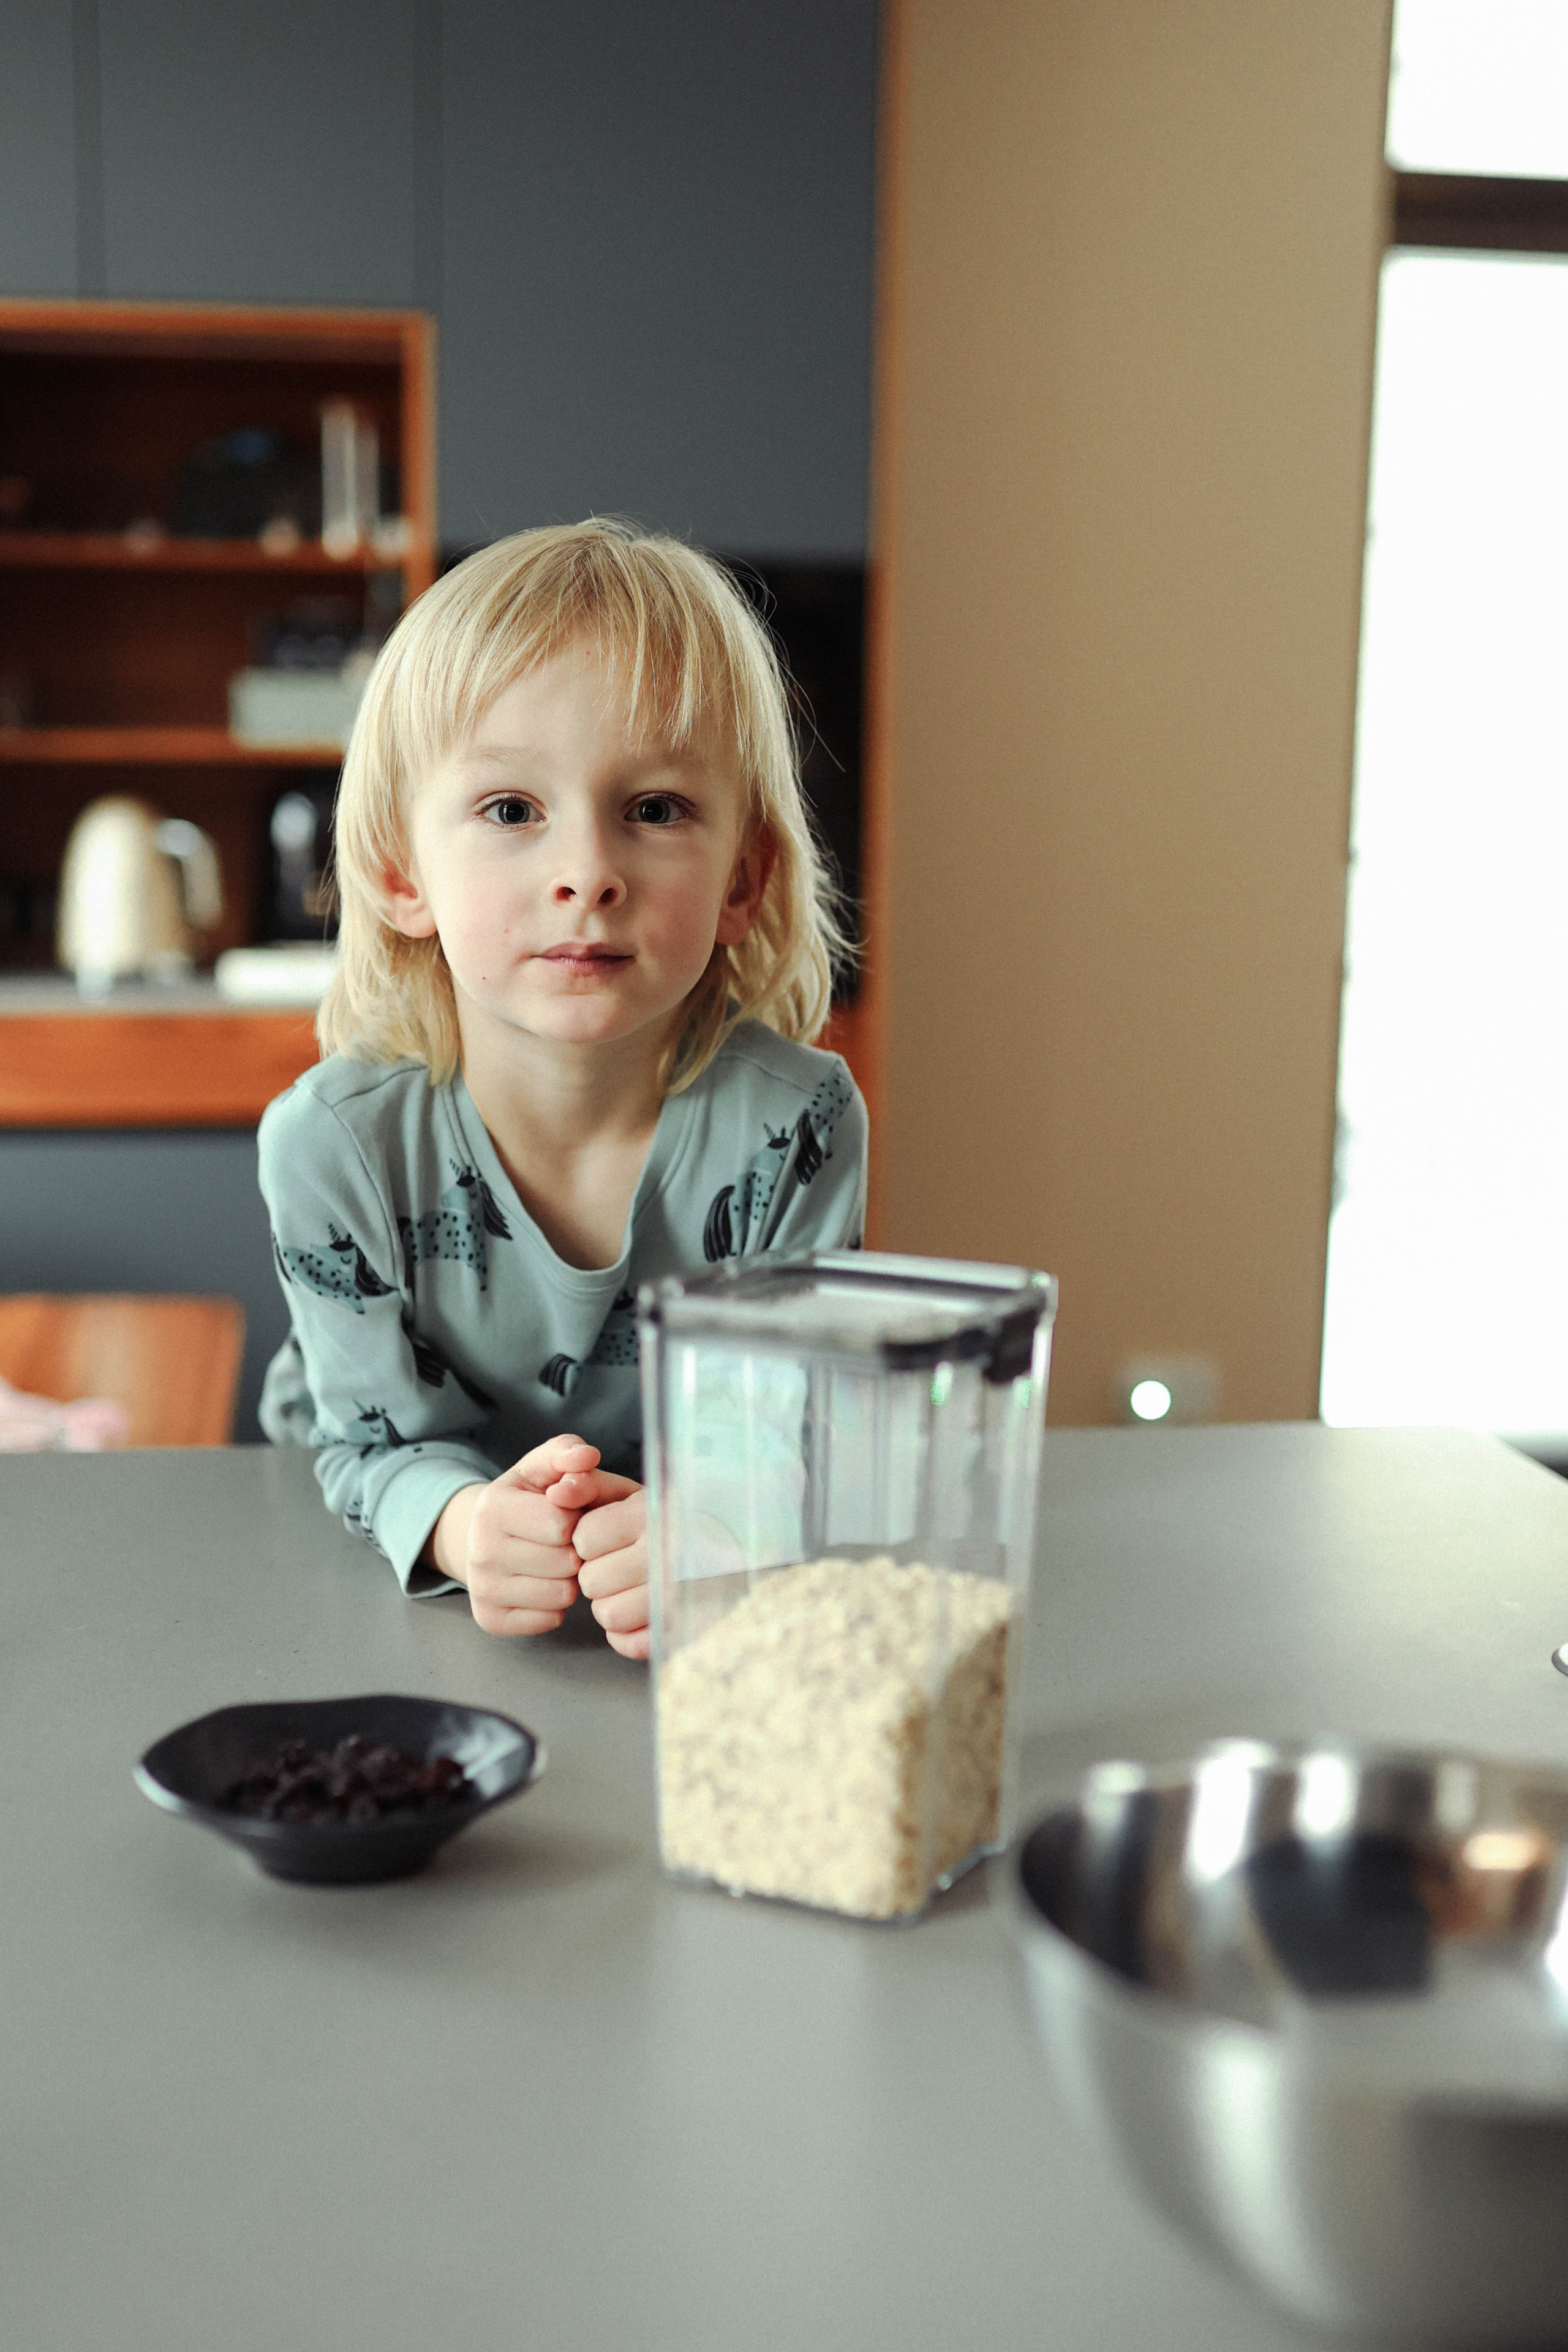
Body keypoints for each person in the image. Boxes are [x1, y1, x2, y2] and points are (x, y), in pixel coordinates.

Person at [257, 520, 867, 1660]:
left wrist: (710, 1530)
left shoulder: (799, 1123)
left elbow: (782, 1436)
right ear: (399, 874)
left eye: (656, 809)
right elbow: (365, 1445)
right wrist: (461, 1525)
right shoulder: (331, 1144)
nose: (587, 873)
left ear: (743, 878)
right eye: (511, 811)